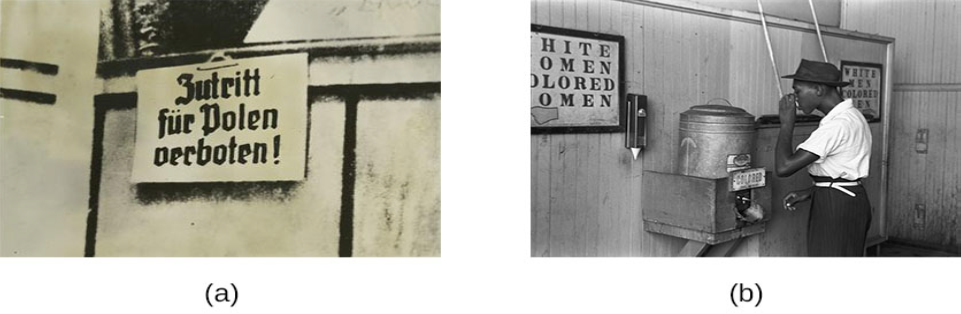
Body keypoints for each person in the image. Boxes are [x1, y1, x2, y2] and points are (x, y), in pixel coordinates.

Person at [774, 59, 872, 257]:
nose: (795, 99)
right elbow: (842, 170)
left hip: (837, 206)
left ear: (818, 89)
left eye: (798, 91)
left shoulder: (838, 125)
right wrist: (812, 191)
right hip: (844, 198)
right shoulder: (851, 116)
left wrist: (786, 124)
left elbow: (784, 167)